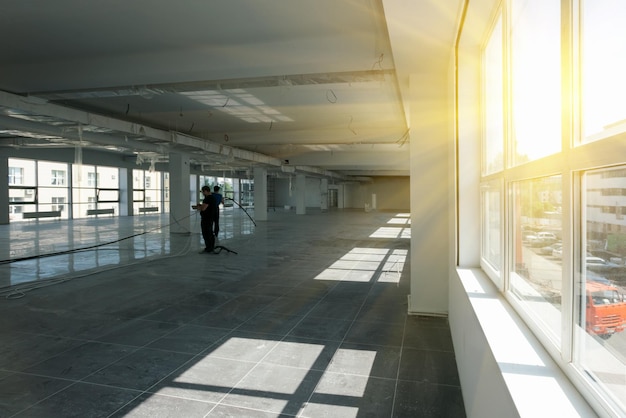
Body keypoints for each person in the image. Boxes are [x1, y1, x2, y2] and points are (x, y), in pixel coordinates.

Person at [193, 186, 218, 253]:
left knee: (206, 233)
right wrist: (201, 206)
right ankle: (211, 247)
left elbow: (203, 208)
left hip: (206, 218)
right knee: (209, 233)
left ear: (206, 191)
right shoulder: (213, 198)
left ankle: (208, 248)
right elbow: (208, 207)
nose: (203, 193)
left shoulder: (207, 199)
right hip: (211, 218)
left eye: (203, 192)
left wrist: (198, 207)